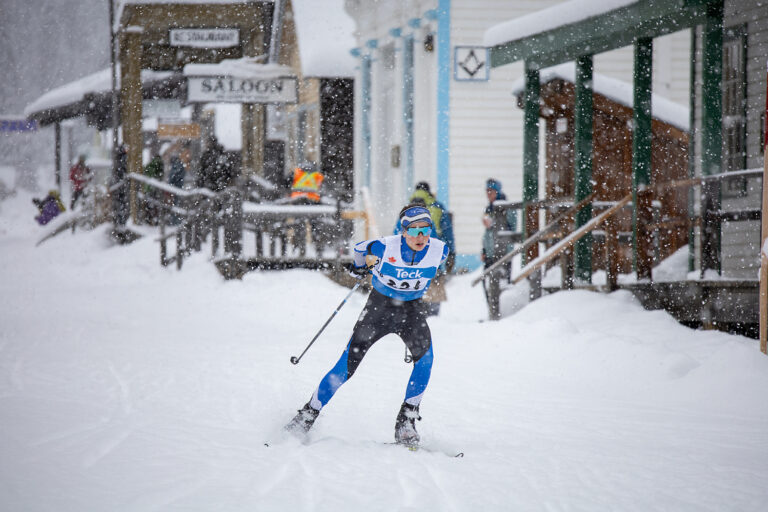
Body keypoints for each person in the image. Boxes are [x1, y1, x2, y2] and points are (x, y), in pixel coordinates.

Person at [285, 204, 450, 446]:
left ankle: (406, 421)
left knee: (426, 361)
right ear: (403, 232)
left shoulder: (440, 250)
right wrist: (360, 267)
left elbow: (437, 264)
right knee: (346, 368)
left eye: (425, 230)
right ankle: (307, 415)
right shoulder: (387, 245)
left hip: (411, 310)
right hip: (379, 309)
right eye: (413, 231)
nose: (420, 236)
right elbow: (361, 248)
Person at [402, 182, 456, 316]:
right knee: (433, 293)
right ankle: (432, 318)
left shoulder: (407, 210)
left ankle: (414, 317)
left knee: (412, 293)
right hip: (433, 257)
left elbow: (397, 232)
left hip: (410, 259)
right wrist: (451, 254)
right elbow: (448, 233)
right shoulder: (437, 207)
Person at [481, 178, 517, 320]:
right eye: (487, 191)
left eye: (491, 191)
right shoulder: (488, 208)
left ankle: (502, 313)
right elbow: (487, 234)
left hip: (503, 252)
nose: (488, 194)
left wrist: (493, 224)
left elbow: (510, 228)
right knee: (487, 283)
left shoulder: (507, 207)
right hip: (490, 251)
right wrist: (484, 250)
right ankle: (492, 310)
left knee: (501, 283)